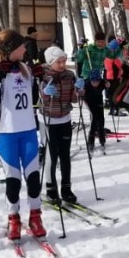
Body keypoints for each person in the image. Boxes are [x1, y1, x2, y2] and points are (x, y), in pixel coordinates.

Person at [0, 29, 47, 240]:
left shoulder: (25, 68)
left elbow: (35, 100)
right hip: (7, 133)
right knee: (13, 179)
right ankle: (14, 217)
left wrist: (39, 80)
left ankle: (35, 216)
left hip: (28, 130)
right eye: (21, 45)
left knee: (33, 177)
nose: (25, 48)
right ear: (11, 49)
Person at [39, 46, 84, 203]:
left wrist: (78, 90)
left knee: (65, 155)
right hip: (48, 120)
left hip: (64, 118)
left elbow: (73, 99)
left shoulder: (69, 75)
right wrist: (45, 93)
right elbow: (37, 100)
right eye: (59, 62)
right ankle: (51, 189)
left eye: (64, 61)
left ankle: (66, 188)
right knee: (51, 156)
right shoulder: (41, 76)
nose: (62, 64)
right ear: (51, 62)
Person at [81, 69, 107, 155]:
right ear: (90, 80)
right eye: (93, 81)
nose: (95, 83)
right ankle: (91, 141)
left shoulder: (102, 82)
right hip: (89, 102)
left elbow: (107, 84)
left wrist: (108, 85)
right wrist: (81, 92)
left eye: (97, 81)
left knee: (101, 120)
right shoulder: (87, 84)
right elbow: (81, 92)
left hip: (98, 101)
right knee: (94, 120)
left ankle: (102, 139)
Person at [104, 38, 124, 115]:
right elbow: (120, 66)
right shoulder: (113, 57)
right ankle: (116, 109)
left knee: (111, 94)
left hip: (109, 76)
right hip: (114, 78)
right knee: (115, 93)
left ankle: (112, 109)